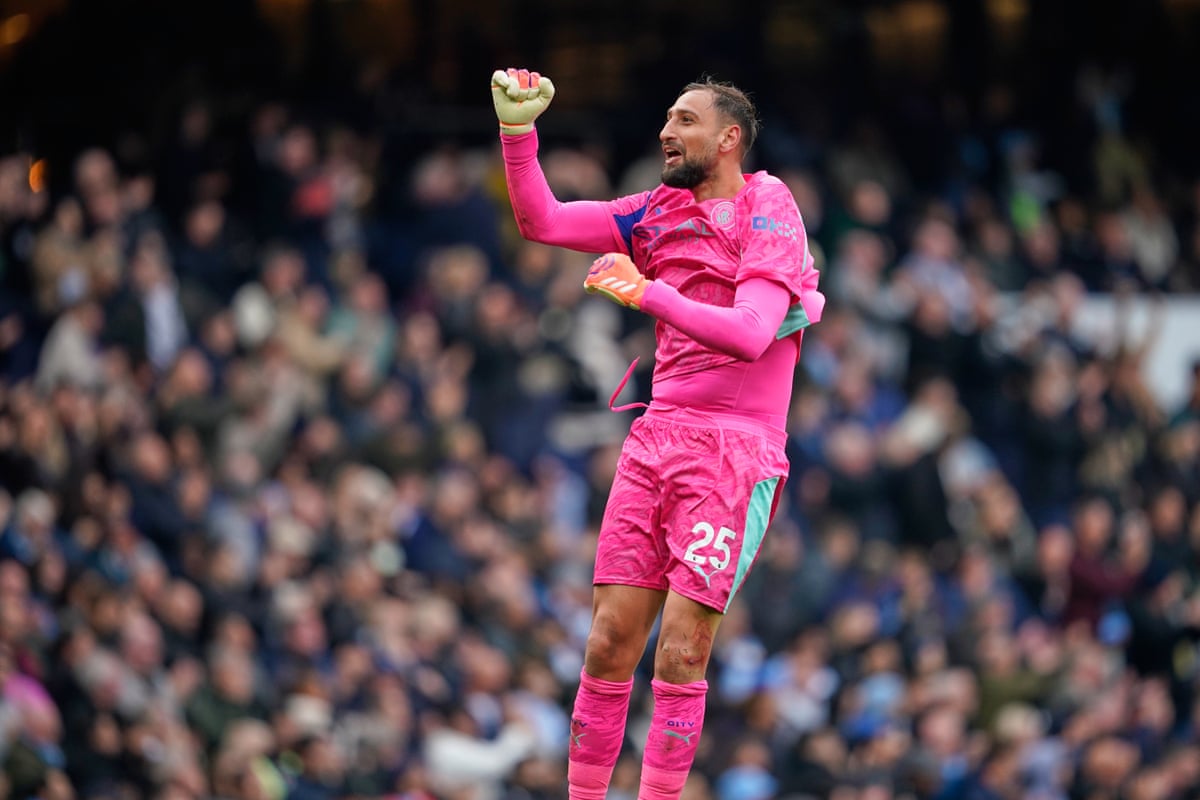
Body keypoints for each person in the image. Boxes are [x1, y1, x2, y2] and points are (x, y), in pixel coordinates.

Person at [490, 67, 825, 800]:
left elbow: (750, 333)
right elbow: (540, 220)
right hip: (657, 438)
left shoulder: (768, 202)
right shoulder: (654, 212)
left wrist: (650, 294)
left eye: (685, 120)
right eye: (667, 119)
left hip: (733, 450)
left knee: (681, 649)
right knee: (608, 641)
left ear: (729, 137)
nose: (667, 132)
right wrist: (519, 134)